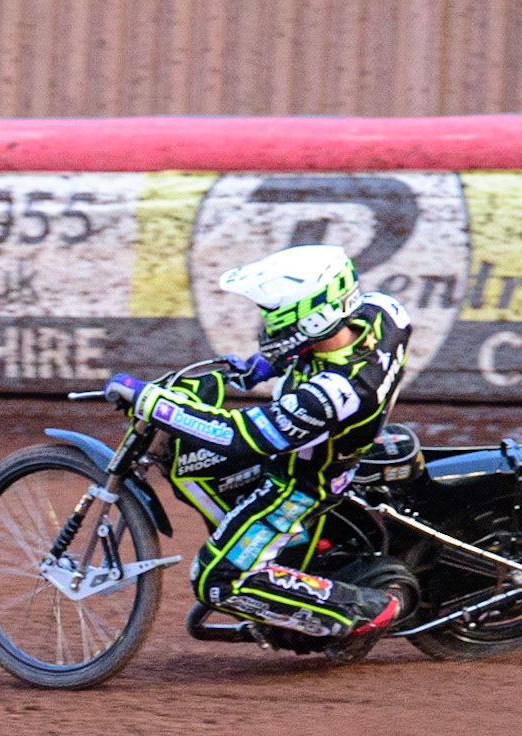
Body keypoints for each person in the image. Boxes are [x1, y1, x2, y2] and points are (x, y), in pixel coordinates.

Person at [102, 244, 409, 656]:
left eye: (276, 317)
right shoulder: (382, 313)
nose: (266, 325)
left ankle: (359, 612)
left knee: (215, 580)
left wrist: (152, 403)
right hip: (334, 444)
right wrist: (261, 368)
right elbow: (328, 348)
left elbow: (239, 436)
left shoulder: (334, 393)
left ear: (315, 317)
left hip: (302, 484)